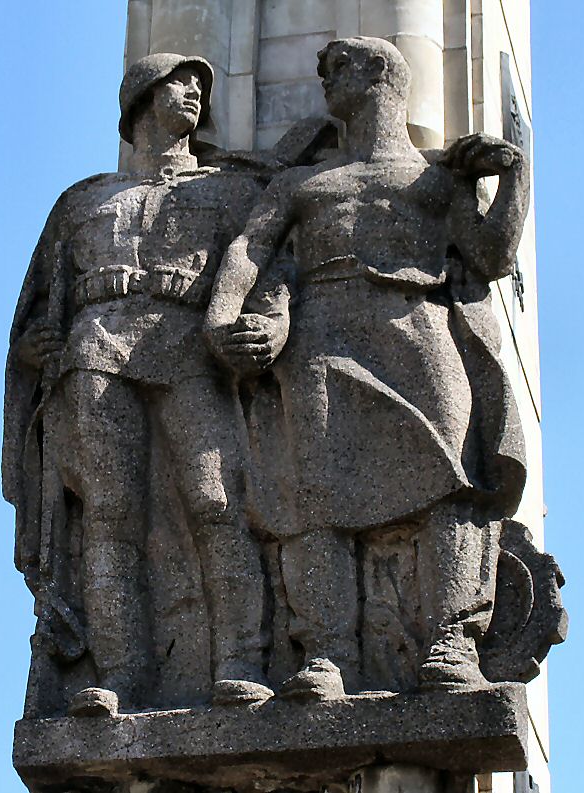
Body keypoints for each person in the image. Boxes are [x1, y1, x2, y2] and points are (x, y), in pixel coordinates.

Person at [205, 37, 530, 695]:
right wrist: (220, 322)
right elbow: (248, 248)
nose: (324, 79)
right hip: (322, 333)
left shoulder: (438, 180)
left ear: (380, 72)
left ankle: (451, 643)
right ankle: (327, 653)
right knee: (314, 494)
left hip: (420, 326)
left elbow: (491, 256)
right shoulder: (302, 183)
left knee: (452, 478)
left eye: (337, 68)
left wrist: (514, 175)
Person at [3, 53, 274, 713]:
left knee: (217, 500)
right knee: (110, 513)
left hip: (186, 343)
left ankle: (238, 659)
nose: (193, 93)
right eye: (180, 82)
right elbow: (38, 307)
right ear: (141, 99)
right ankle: (120, 674)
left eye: (201, 85)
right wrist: (31, 349)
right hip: (94, 349)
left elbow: (274, 269)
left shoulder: (231, 191)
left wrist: (271, 325)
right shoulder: (81, 202)